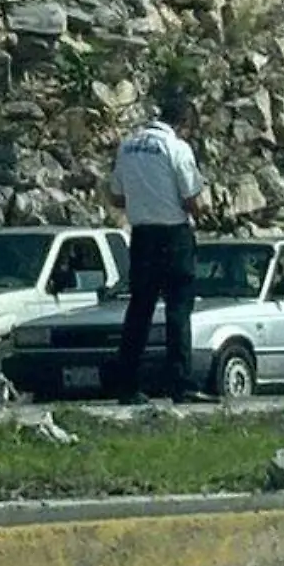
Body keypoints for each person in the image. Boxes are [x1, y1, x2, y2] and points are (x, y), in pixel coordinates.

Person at [108, 86, 213, 405]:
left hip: (141, 236)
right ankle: (179, 383)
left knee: (139, 309)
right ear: (184, 123)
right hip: (173, 235)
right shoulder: (177, 147)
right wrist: (203, 214)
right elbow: (191, 197)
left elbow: (115, 196)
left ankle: (127, 384)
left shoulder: (128, 146)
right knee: (179, 310)